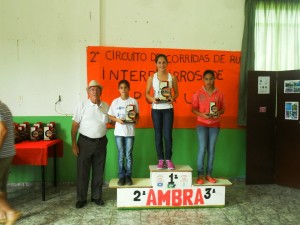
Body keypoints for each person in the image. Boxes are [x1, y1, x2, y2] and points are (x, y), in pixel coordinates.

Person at [71, 80, 110, 209]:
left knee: (99, 171)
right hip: (84, 143)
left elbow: (111, 122)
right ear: (88, 92)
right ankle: (81, 198)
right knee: (82, 172)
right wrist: (73, 144)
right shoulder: (81, 105)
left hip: (101, 143)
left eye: (97, 89)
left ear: (101, 92)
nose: (95, 91)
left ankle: (96, 196)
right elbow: (75, 125)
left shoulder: (105, 106)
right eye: (92, 89)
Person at [191, 70, 225, 184]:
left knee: (211, 150)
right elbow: (193, 109)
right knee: (202, 149)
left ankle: (209, 174)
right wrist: (202, 115)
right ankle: (200, 175)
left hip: (215, 124)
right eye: (206, 79)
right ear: (203, 80)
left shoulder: (219, 94)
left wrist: (218, 113)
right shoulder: (198, 93)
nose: (208, 81)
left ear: (214, 79)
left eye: (211, 79)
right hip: (201, 124)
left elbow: (223, 109)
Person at [145, 54, 179, 170]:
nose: (161, 65)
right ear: (156, 64)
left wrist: (172, 99)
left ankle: (168, 160)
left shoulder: (172, 77)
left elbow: (176, 93)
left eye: (164, 62)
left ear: (167, 63)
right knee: (158, 135)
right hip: (156, 110)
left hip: (168, 109)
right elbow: (146, 94)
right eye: (159, 62)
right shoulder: (151, 78)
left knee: (168, 135)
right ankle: (160, 160)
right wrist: (153, 99)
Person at [108, 80, 139, 186]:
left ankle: (128, 176)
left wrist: (135, 119)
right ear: (118, 89)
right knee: (121, 155)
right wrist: (118, 120)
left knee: (128, 155)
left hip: (130, 132)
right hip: (119, 133)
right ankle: (121, 176)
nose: (123, 89)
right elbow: (110, 116)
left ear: (129, 88)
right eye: (121, 87)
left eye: (125, 87)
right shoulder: (115, 102)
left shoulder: (133, 101)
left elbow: (137, 115)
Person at [0, 100, 21, 225]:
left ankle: (10, 212)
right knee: (1, 187)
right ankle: (2, 215)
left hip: (1, 154)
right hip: (8, 153)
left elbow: (3, 130)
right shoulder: (4, 106)